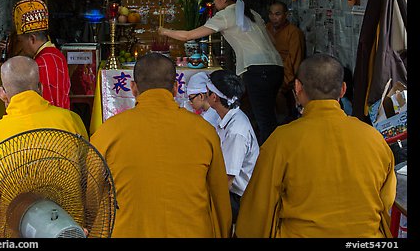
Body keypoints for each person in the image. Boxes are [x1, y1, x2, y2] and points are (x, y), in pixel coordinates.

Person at [235, 53, 396, 238]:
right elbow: (386, 201)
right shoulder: (374, 139)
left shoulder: (281, 141)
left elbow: (258, 210)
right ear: (343, 90)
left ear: (297, 87)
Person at [91, 53, 232, 237]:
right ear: (175, 88)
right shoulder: (205, 132)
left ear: (133, 88)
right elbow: (219, 200)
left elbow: (90, 199)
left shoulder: (108, 132)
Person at [159, 0, 284, 145]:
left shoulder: (226, 15)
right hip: (276, 68)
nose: (214, 1)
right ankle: (269, 152)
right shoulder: (252, 13)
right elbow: (273, 42)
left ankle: (271, 160)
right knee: (266, 115)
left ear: (224, 0)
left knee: (264, 120)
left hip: (256, 70)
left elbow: (188, 36)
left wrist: (163, 31)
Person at [0, 55, 88, 172]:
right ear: (40, 88)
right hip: (67, 194)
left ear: (2, 94)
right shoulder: (71, 120)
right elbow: (90, 169)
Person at [206, 69, 259, 228]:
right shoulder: (224, 115)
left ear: (214, 97)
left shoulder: (236, 131)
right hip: (229, 187)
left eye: (207, 92)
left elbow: (227, 180)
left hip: (239, 197)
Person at [13, 0, 71, 110]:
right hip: (61, 121)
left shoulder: (42, 63)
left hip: (50, 124)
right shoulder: (56, 55)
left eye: (21, 42)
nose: (21, 48)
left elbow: (46, 103)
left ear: (32, 39)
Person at [265, 0, 305, 123]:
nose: (273, 18)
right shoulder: (266, 28)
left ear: (286, 15)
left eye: (277, 14)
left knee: (275, 92)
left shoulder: (293, 33)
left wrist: (285, 81)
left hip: (285, 75)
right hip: (267, 71)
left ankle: (283, 121)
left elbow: (295, 61)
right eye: (271, 14)